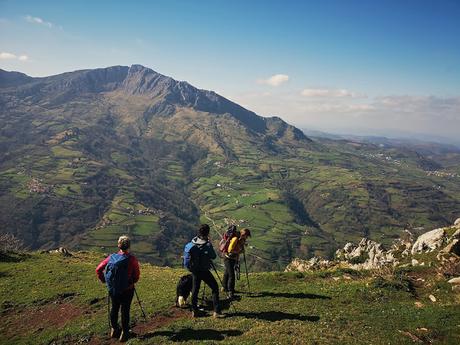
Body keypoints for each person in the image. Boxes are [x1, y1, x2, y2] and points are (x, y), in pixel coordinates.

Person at [96, 235, 140, 342]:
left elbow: (98, 269)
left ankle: (114, 329)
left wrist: (105, 281)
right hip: (127, 289)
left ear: (118, 245)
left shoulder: (111, 257)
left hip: (113, 289)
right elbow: (137, 275)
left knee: (114, 308)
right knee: (125, 310)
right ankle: (124, 332)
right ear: (129, 246)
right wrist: (132, 281)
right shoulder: (131, 259)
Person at [189, 224, 223, 318]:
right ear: (207, 233)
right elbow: (213, 256)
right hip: (204, 270)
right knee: (215, 288)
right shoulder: (207, 244)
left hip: (195, 270)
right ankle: (217, 311)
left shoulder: (194, 240)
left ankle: (194, 311)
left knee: (195, 290)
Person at [222, 228, 251, 299]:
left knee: (227, 273)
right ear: (243, 234)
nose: (247, 238)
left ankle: (224, 287)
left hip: (233, 259)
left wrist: (241, 249)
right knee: (231, 275)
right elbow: (230, 250)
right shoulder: (235, 239)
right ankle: (230, 292)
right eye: (246, 236)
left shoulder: (241, 240)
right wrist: (240, 252)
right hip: (228, 258)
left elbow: (238, 248)